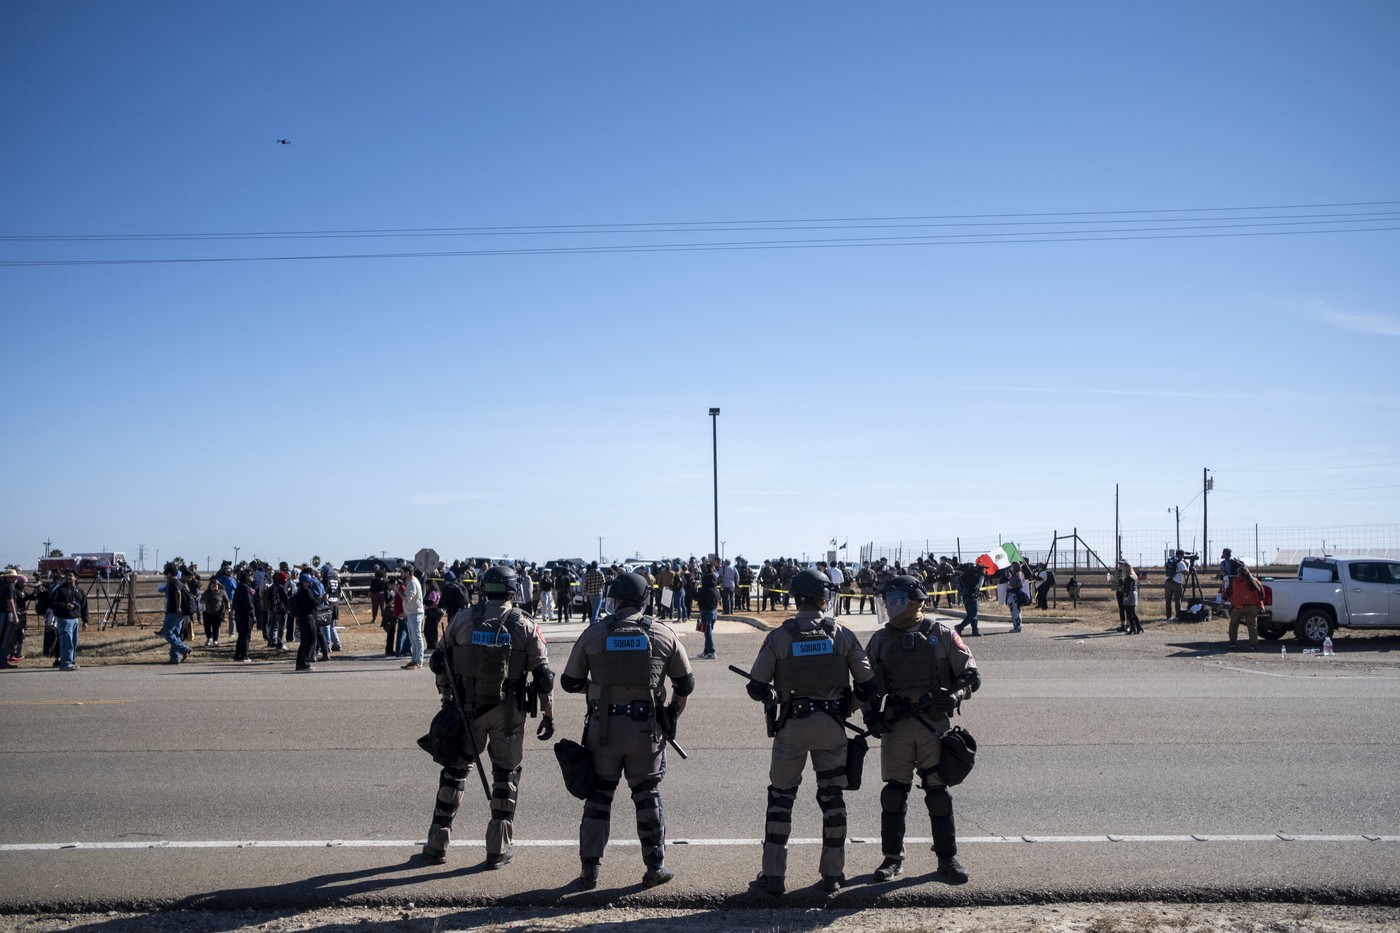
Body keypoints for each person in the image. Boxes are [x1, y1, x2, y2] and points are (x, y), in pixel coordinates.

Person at [744, 568, 876, 896]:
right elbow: (868, 684)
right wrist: (847, 708)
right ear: (822, 597)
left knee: (781, 799)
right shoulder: (841, 633)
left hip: (792, 726)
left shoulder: (780, 636)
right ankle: (833, 875)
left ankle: (773, 875)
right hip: (832, 726)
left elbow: (756, 686)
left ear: (795, 596)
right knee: (832, 797)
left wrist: (773, 696)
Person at [561, 571, 694, 890]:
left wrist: (599, 689)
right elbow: (685, 684)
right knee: (647, 795)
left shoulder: (594, 634)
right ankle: (655, 866)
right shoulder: (663, 634)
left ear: (615, 599)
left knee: (598, 798)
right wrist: (671, 713)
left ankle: (589, 871)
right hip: (646, 730)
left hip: (603, 730)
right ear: (646, 599)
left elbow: (569, 682)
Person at [421, 564, 555, 868]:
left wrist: (446, 699)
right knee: (505, 777)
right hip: (508, 715)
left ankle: (436, 845)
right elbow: (544, 677)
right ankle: (497, 849)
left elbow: (439, 662)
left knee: (454, 773)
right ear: (513, 590)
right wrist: (548, 714)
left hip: (466, 711)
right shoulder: (525, 625)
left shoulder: (462, 619)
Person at [862, 575, 980, 885]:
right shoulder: (881, 639)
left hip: (933, 724)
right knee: (893, 795)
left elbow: (971, 676)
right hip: (897, 725)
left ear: (912, 601)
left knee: (938, 793)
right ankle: (891, 859)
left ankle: (947, 858)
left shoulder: (941, 633)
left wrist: (954, 695)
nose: (888, 607)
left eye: (894, 601)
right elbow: (866, 685)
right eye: (886, 602)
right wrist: (871, 716)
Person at [50, 570, 89, 672]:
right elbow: (52, 604)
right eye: (67, 576)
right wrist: (65, 606)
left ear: (76, 578)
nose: (68, 577)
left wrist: (85, 620)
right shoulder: (60, 590)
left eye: (71, 575)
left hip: (75, 619)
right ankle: (65, 664)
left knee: (73, 642)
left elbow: (84, 606)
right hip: (64, 619)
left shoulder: (80, 591)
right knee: (66, 641)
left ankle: (71, 661)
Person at [1225, 564, 1266, 650]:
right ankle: (1253, 645)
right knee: (1252, 626)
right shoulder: (1254, 580)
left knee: (1233, 625)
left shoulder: (1234, 581)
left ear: (1239, 573)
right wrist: (1260, 604)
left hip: (1237, 607)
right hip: (1252, 607)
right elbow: (1261, 593)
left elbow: (1227, 592)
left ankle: (1232, 643)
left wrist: (1223, 601)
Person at [160, 563, 192, 664]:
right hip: (179, 613)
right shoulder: (179, 582)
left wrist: (178, 608)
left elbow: (178, 594)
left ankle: (184, 649)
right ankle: (175, 658)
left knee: (166, 632)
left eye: (166, 574)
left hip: (174, 612)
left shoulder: (174, 583)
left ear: (169, 574)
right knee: (175, 634)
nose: (165, 576)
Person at [292, 573, 320, 672]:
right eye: (308, 582)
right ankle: (305, 663)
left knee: (304, 642)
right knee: (311, 640)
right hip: (308, 617)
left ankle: (299, 663)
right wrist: (321, 599)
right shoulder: (306, 591)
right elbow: (313, 602)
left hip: (301, 618)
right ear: (304, 582)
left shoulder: (299, 591)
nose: (309, 583)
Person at [401, 565, 426, 670]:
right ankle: (414, 659)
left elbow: (408, 599)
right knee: (413, 638)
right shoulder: (411, 582)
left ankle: (419, 661)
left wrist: (398, 591)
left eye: (402, 572)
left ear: (407, 573)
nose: (401, 574)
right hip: (411, 613)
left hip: (416, 614)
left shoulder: (412, 583)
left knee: (417, 637)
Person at [232, 569, 257, 662]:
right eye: (250, 575)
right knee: (246, 635)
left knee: (241, 635)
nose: (252, 577)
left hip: (239, 614)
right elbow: (249, 603)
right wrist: (253, 615)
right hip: (246, 615)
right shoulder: (245, 588)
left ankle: (238, 655)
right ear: (246, 576)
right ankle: (244, 655)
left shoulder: (240, 586)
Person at [954, 564, 983, 637]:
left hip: (966, 597)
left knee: (972, 615)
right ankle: (960, 627)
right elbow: (978, 585)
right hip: (972, 597)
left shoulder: (962, 577)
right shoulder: (972, 577)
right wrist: (982, 574)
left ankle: (975, 630)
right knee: (972, 614)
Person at [695, 570, 719, 660]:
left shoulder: (704, 590)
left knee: (707, 633)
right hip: (713, 612)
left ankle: (712, 651)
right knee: (707, 632)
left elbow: (696, 597)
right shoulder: (715, 590)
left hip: (706, 612)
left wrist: (695, 588)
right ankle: (706, 651)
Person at [0, 568, 19, 669]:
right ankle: (2, 661)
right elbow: (10, 601)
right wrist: (15, 616)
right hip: (7, 614)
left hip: (1, 612)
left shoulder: (1, 586)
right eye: (14, 576)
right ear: (9, 578)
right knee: (6, 639)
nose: (16, 578)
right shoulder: (10, 587)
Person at [201, 577, 229, 647]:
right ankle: (208, 638)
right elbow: (201, 600)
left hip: (218, 613)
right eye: (212, 586)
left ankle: (215, 640)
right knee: (207, 627)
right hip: (207, 613)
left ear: (218, 586)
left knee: (216, 627)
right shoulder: (206, 593)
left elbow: (227, 601)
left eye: (215, 586)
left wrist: (228, 608)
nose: (214, 587)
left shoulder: (222, 592)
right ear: (210, 586)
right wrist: (202, 606)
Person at [1118, 561, 1142, 635]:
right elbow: (1126, 586)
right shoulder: (1132, 576)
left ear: (1126, 568)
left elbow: (1129, 588)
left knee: (1129, 613)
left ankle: (1133, 628)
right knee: (1132, 612)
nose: (1122, 568)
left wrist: (1126, 596)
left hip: (1130, 595)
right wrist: (1121, 581)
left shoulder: (1129, 576)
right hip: (1132, 595)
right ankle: (1138, 626)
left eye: (1123, 567)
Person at [1163, 550, 1187, 620]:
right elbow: (1185, 572)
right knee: (1177, 600)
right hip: (1176, 582)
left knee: (1168, 600)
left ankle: (1168, 616)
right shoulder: (1181, 562)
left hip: (1168, 581)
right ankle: (1178, 615)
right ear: (1181, 555)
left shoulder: (1170, 560)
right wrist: (1188, 567)